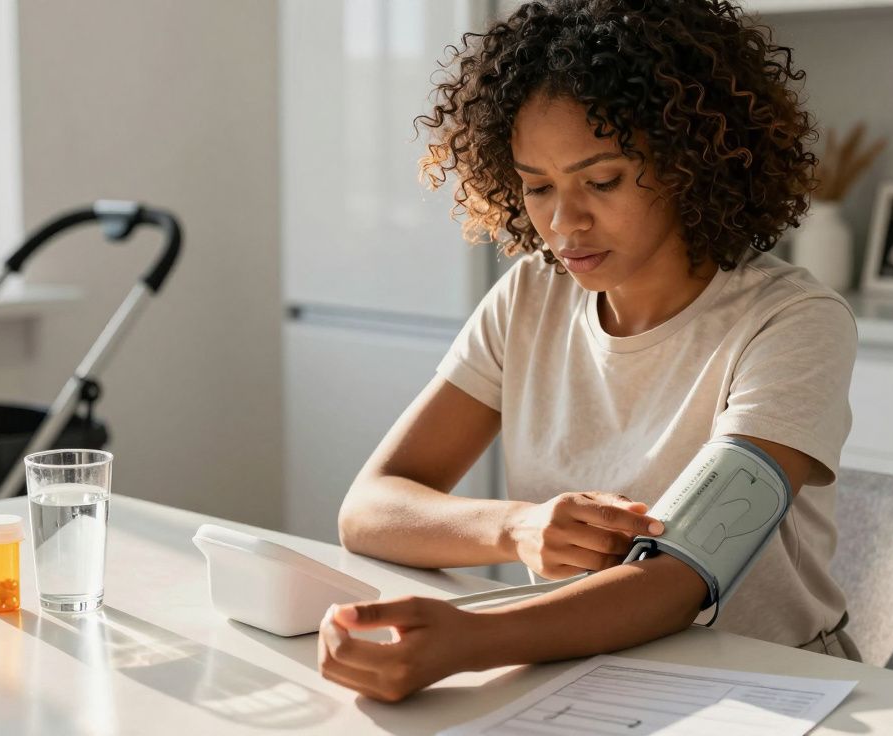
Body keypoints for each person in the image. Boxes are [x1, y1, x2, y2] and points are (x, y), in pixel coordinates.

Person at [317, 0, 859, 702]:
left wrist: (473, 640)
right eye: (537, 187)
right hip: (584, 675)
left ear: (688, 159)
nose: (564, 224)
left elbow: (680, 576)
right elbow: (368, 508)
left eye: (600, 181)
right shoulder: (530, 299)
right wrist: (518, 528)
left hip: (767, 685)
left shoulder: (790, 321)